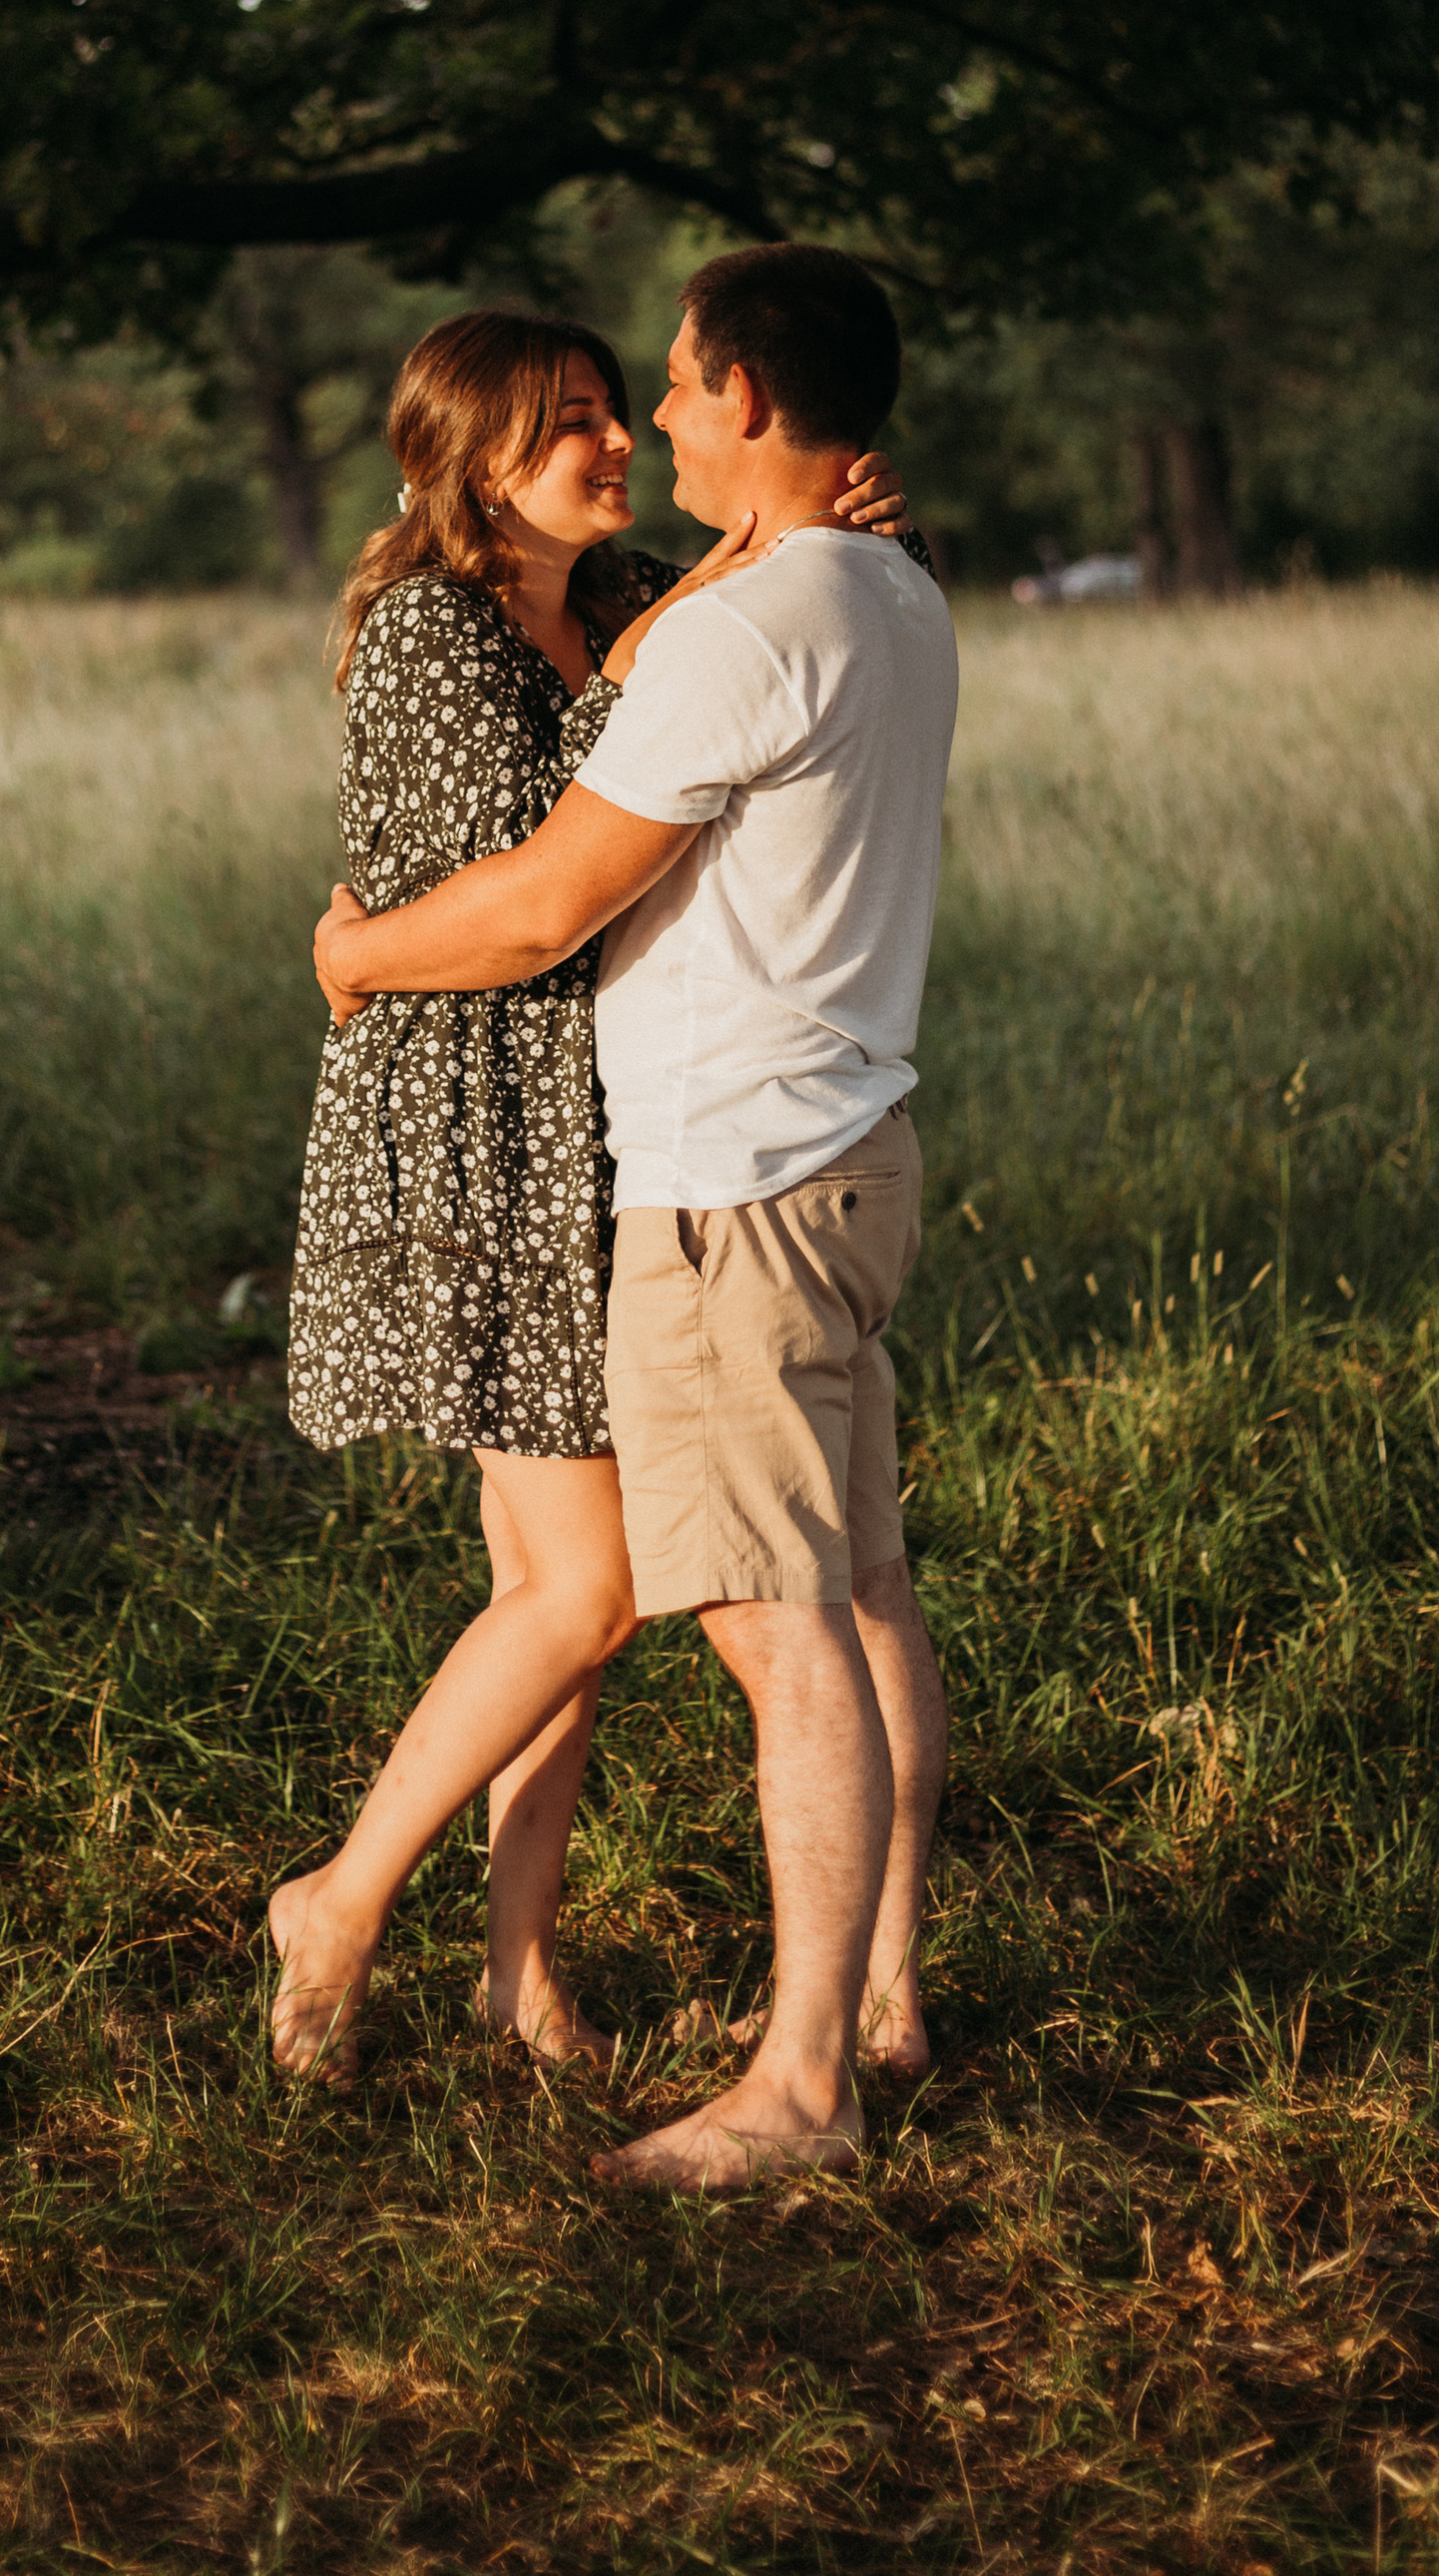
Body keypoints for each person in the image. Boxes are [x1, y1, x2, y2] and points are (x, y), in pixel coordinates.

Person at [311, 243, 959, 2191]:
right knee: (775, 1599)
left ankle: (802, 2078)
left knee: (757, 1626)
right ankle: (832, 2001)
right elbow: (509, 878)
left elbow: (539, 902)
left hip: (711, 1177)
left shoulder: (704, 617)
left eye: (661, 387)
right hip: (676, 1152)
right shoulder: (849, 590)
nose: (640, 419)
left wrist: (348, 950)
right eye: (582, 411)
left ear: (746, 399)